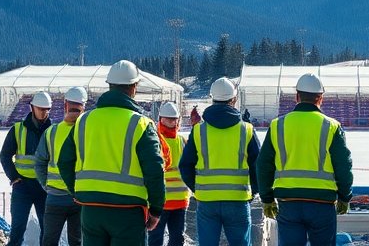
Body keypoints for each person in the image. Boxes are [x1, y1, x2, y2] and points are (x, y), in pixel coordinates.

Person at [58, 60, 166, 246]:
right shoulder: (140, 124)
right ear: (134, 87)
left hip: (91, 209)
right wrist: (156, 209)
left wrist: (76, 192)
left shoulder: (84, 121)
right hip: (128, 211)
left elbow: (64, 161)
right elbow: (154, 170)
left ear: (109, 86)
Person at [258, 73, 354, 246]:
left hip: (289, 204)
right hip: (322, 204)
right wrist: (344, 196)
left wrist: (267, 198)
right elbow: (343, 165)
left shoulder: (278, 125)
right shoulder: (331, 126)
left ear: (297, 96)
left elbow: (263, 165)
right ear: (321, 98)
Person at [180, 77, 259, 246]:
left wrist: (198, 188)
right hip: (238, 200)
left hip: (207, 202)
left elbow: (185, 165)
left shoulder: (198, 131)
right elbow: (257, 166)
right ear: (234, 99)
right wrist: (253, 191)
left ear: (212, 99)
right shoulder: (246, 130)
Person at [37, 87, 88, 246]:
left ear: (65, 105)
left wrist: (47, 185)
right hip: (80, 198)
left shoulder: (51, 132)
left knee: (49, 241)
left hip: (54, 198)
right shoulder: (88, 132)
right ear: (84, 107)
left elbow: (39, 163)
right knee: (77, 242)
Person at [3, 91, 54, 246]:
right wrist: (14, 177)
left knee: (47, 230)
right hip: (22, 186)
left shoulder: (53, 131)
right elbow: (4, 155)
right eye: (40, 108)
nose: (43, 112)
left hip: (44, 187)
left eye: (47, 109)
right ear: (32, 107)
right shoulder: (18, 129)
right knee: (17, 229)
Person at [150, 102, 189, 246]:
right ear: (161, 119)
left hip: (179, 202)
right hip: (160, 202)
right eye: (169, 119)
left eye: (175, 119)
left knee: (177, 239)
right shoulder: (155, 140)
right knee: (155, 239)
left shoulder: (182, 141)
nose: (173, 122)